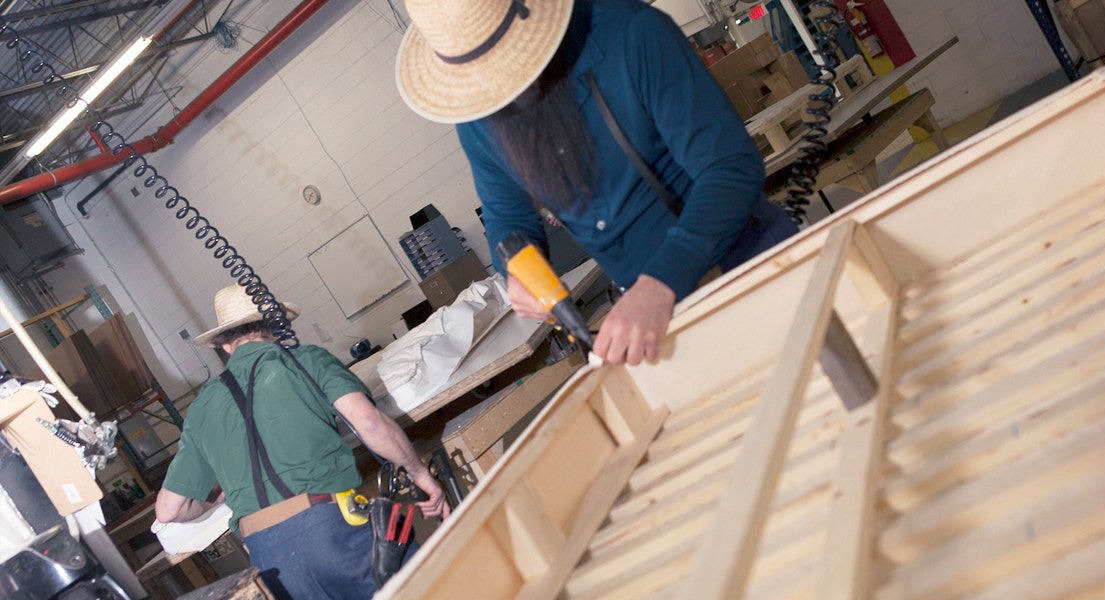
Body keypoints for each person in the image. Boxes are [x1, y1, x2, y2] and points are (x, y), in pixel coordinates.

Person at [395, 0, 797, 365]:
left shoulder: (632, 34)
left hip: (748, 269)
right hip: (650, 326)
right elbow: (508, 218)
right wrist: (516, 273)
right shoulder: (476, 114)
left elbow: (730, 169)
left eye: (504, 65)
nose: (499, 91)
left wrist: (660, 283)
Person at [155, 286, 449, 599]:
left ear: (225, 345)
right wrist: (419, 473)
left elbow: (168, 510)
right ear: (276, 324)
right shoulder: (306, 360)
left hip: (267, 559)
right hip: (332, 531)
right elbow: (370, 423)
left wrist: (212, 501)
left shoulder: (201, 407)